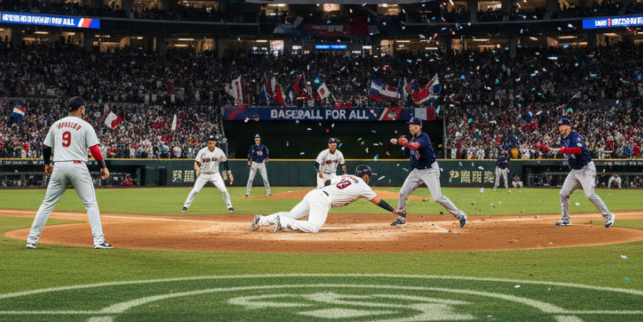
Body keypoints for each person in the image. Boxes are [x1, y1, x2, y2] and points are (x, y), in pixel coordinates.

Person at [25, 97, 112, 250]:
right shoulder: (85, 125)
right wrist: (103, 166)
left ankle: (31, 240)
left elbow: (45, 147)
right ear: (81, 108)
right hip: (78, 166)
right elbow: (94, 150)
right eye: (84, 108)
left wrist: (47, 164)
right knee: (90, 204)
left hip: (59, 166)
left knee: (46, 204)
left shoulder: (57, 124)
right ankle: (99, 241)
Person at [250, 165, 400, 233]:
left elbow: (329, 181)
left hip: (315, 193)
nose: (369, 179)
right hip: (322, 200)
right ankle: (284, 223)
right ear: (365, 175)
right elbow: (378, 201)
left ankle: (261, 220)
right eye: (369, 176)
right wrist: (393, 210)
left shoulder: (346, 176)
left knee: (292, 214)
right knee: (314, 227)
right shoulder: (363, 185)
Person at [390, 117, 466, 228]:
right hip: (416, 171)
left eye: (415, 125)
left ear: (420, 127)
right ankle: (401, 218)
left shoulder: (423, 137)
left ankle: (460, 215)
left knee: (437, 197)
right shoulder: (411, 138)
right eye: (410, 125)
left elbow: (415, 146)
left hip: (429, 170)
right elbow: (410, 144)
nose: (412, 127)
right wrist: (400, 142)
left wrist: (405, 143)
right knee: (402, 193)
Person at [553, 118, 615, 228]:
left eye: (563, 125)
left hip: (586, 169)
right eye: (559, 126)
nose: (561, 127)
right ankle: (566, 219)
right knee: (563, 193)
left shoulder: (575, 136)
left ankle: (608, 216)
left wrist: (564, 150)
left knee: (590, 194)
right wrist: (546, 149)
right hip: (575, 171)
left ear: (568, 127)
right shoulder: (562, 139)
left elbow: (578, 150)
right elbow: (560, 150)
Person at [182, 135, 234, 213]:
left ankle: (229, 206)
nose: (210, 145)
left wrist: (229, 172)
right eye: (209, 143)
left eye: (212, 143)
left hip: (215, 174)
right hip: (203, 174)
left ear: (215, 143)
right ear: (207, 143)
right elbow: (197, 163)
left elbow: (225, 162)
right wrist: (197, 170)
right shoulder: (202, 151)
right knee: (195, 190)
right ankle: (185, 206)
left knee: (224, 190)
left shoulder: (219, 151)